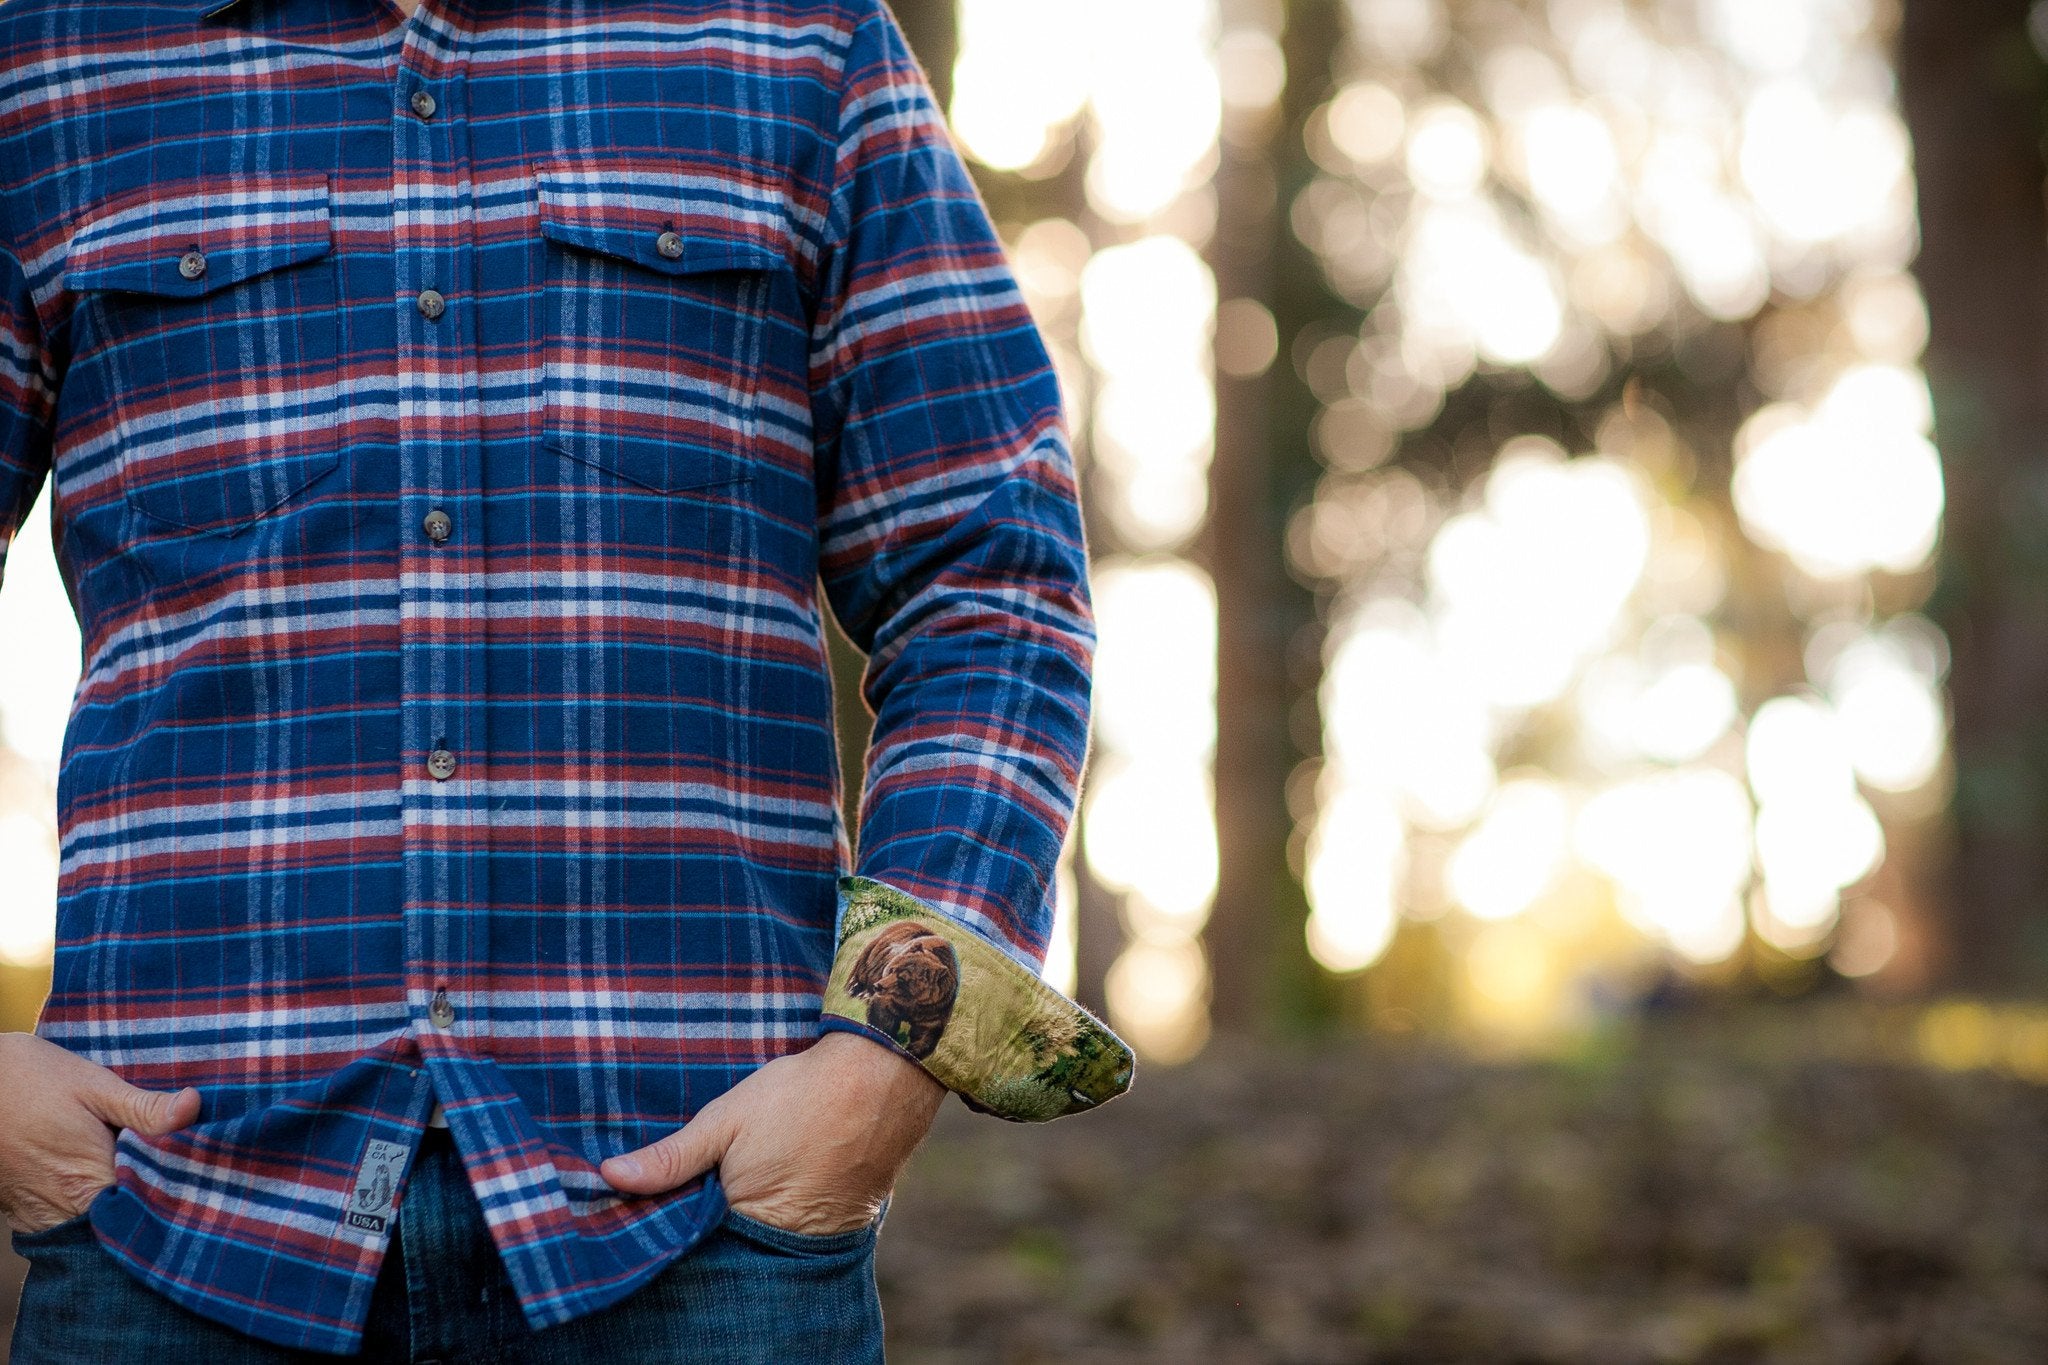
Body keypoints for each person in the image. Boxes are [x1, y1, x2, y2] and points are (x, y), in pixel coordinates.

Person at [0, 0, 1132, 1358]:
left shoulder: (800, 46)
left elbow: (989, 579)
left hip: (707, 1233)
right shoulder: (55, 62)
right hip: (171, 1227)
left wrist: (886, 1059)